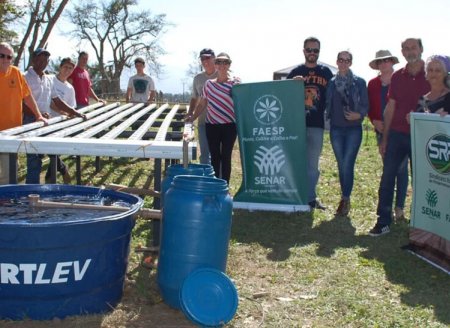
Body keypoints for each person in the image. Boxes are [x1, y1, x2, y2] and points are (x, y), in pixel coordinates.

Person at [369, 38, 430, 236]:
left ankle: (423, 223)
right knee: (387, 178)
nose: (410, 51)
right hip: (396, 134)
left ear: (421, 49)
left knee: (423, 180)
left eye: (414, 47)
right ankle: (383, 221)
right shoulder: (397, 77)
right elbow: (390, 108)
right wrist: (384, 138)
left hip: (423, 137)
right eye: (406, 48)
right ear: (402, 52)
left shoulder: (433, 74)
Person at [24, 49, 85, 184]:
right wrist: (37, 114)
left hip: (46, 121)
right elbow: (22, 102)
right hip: (30, 121)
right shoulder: (25, 77)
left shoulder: (47, 79)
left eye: (45, 60)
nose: (42, 63)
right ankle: (32, 193)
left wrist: (75, 113)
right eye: (39, 59)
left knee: (48, 151)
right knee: (34, 160)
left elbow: (57, 100)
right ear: (33, 59)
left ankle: (51, 178)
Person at [286, 37, 333, 210]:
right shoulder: (296, 71)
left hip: (316, 124)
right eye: (309, 50)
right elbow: (283, 94)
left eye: (315, 50)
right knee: (295, 162)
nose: (312, 53)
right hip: (296, 125)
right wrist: (292, 84)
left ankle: (310, 198)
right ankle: (294, 196)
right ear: (303, 50)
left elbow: (334, 96)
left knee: (313, 164)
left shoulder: (326, 72)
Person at [325, 50, 368, 216]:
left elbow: (365, 103)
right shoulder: (331, 83)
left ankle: (345, 198)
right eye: (341, 60)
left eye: (347, 60)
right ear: (337, 62)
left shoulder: (359, 82)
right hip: (336, 128)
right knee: (340, 164)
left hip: (353, 129)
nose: (343, 62)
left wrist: (360, 114)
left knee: (347, 164)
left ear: (351, 63)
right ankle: (345, 198)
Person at [368, 50, 408, 221]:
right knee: (389, 169)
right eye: (380, 61)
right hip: (381, 131)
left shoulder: (401, 80)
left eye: (387, 60)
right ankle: (387, 208)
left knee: (402, 169)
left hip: (400, 131)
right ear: (377, 65)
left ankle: (399, 207)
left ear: (392, 62)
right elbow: (368, 107)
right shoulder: (372, 84)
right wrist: (374, 121)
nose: (384, 63)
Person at [187, 52, 239, 184]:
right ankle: (214, 184)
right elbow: (202, 104)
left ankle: (224, 185)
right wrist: (192, 117)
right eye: (219, 62)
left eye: (225, 62)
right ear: (215, 64)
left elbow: (243, 101)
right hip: (212, 126)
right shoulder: (209, 84)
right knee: (215, 157)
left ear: (229, 65)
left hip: (229, 126)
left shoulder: (235, 83)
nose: (222, 65)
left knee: (226, 156)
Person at [0, 42, 47, 184]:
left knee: (9, 176)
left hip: (11, 134)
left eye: (9, 57)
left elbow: (27, 96)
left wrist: (38, 115)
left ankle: (6, 205)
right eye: (2, 56)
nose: (5, 60)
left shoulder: (16, 73)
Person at [187, 48, 218, 164]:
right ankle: (206, 179)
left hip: (220, 123)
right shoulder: (198, 78)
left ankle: (219, 179)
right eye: (202, 58)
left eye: (208, 58)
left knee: (218, 154)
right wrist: (190, 113)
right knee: (205, 154)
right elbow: (194, 98)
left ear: (214, 58)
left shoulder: (221, 75)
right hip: (203, 122)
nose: (205, 61)